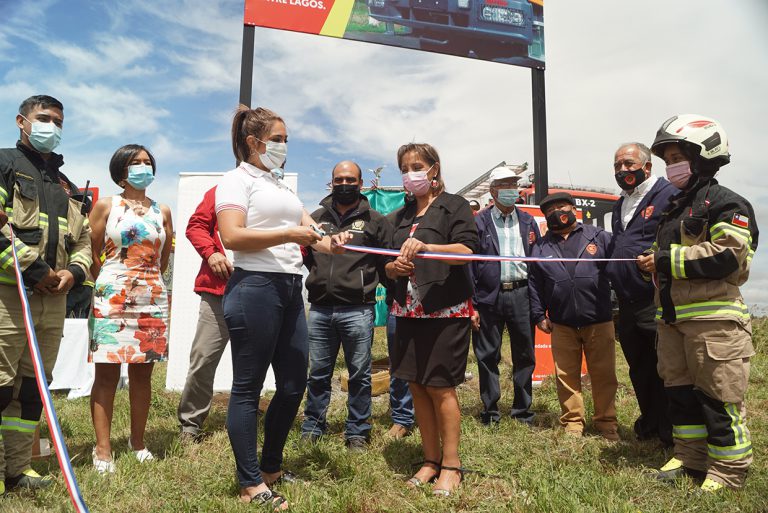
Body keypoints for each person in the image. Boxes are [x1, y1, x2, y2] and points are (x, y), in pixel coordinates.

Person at [215, 105, 343, 508]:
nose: (285, 146)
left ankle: (271, 467)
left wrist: (332, 241)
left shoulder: (282, 186)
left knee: (292, 384)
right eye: (278, 138)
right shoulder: (235, 181)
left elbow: (316, 235)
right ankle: (250, 482)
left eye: (286, 139)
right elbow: (232, 236)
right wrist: (289, 232)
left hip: (290, 289)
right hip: (255, 287)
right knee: (248, 389)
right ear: (254, 142)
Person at [639, 115, 758, 492]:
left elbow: (727, 257)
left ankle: (728, 471)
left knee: (718, 398)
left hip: (715, 324)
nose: (671, 166)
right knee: (681, 395)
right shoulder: (675, 208)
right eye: (667, 158)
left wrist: (661, 259)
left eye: (677, 156)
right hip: (673, 323)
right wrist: (652, 264)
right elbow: (672, 259)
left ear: (704, 155)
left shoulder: (727, 203)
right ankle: (690, 457)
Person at [0, 95, 92, 493]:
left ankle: (17, 471)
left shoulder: (65, 184)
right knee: (1, 384)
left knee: (32, 387)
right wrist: (35, 271)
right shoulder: (5, 164)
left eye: (58, 121)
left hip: (53, 300)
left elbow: (85, 240)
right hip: (10, 293)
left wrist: (73, 273)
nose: (51, 126)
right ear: (22, 121)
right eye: (43, 118)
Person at [385, 142, 477, 496]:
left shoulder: (455, 206)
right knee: (416, 385)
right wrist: (393, 268)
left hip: (445, 310)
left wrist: (427, 247)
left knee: (440, 385)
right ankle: (429, 460)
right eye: (405, 168)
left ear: (434, 169)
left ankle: (451, 466)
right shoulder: (400, 216)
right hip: (407, 311)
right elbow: (389, 263)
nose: (411, 173)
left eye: (417, 166)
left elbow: (467, 252)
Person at [88, 144, 173, 474]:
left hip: (151, 297)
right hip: (112, 294)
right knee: (106, 373)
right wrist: (107, 281)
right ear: (121, 170)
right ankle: (103, 448)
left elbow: (164, 257)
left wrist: (147, 281)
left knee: (143, 373)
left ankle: (137, 442)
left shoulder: (162, 210)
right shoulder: (107, 205)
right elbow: (92, 249)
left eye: (147, 162)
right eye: (135, 162)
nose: (142, 167)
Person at [300, 160, 392, 451]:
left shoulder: (376, 221)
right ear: (331, 183)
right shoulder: (315, 218)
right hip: (321, 309)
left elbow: (386, 262)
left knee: (360, 375)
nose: (344, 184)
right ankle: (313, 426)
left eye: (350, 179)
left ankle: (357, 432)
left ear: (360, 184)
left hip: (358, 309)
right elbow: (306, 257)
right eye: (338, 179)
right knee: (318, 374)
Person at [528, 192, 618, 440]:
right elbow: (534, 284)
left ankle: (607, 423)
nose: (558, 211)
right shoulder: (540, 247)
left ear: (573, 208)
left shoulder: (598, 237)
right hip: (561, 322)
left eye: (562, 206)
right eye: (551, 209)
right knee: (566, 376)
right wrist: (539, 315)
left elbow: (618, 267)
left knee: (604, 374)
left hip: (599, 319)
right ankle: (573, 423)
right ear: (546, 217)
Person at [607, 142, 677, 446]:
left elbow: (678, 235)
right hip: (626, 301)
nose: (623, 170)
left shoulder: (668, 194)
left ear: (647, 167)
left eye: (629, 163)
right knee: (639, 366)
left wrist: (658, 256)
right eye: (618, 165)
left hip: (655, 298)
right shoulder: (618, 204)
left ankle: (671, 431)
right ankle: (649, 421)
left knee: (665, 367)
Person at [470, 167, 540, 426]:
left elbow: (536, 260)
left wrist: (537, 300)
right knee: (487, 355)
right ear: (492, 190)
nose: (511, 188)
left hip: (521, 294)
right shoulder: (479, 222)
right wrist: (472, 304)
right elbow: (470, 265)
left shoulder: (528, 222)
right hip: (489, 297)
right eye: (504, 184)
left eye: (514, 183)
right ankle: (490, 412)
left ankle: (523, 411)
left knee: (525, 354)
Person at [177, 186, 232, 441]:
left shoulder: (275, 194)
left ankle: (244, 419)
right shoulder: (222, 190)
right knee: (203, 358)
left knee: (254, 362)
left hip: (261, 291)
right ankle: (190, 424)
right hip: (218, 291)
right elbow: (196, 226)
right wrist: (211, 253)